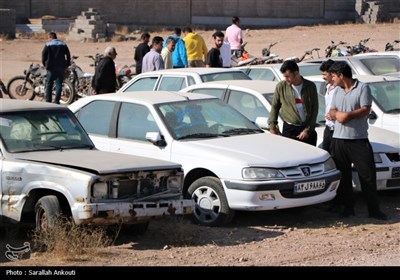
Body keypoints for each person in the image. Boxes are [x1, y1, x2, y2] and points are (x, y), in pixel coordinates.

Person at [328, 61, 387, 220]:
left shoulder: (362, 88)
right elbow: (332, 110)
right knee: (344, 176)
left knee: (367, 175)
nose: (332, 79)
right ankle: (348, 208)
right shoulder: (337, 91)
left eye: (333, 76)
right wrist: (336, 114)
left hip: (358, 140)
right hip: (339, 140)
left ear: (341, 75)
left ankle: (374, 210)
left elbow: (365, 109)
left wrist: (347, 115)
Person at [268, 60, 318, 146]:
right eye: (284, 76)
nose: (286, 79)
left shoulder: (310, 86)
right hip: (290, 130)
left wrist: (307, 130)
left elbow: (315, 110)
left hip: (307, 129)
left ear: (296, 73)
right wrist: (272, 126)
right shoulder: (281, 86)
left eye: (288, 76)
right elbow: (275, 107)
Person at [41, 32, 71, 104]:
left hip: (51, 68)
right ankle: (57, 101)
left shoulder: (48, 44)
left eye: (48, 38)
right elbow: (68, 55)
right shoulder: (63, 44)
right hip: (61, 67)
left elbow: (43, 55)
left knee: (49, 84)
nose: (48, 39)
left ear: (50, 37)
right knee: (59, 84)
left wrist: (45, 64)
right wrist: (66, 64)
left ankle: (48, 100)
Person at [320, 59, 338, 152]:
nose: (323, 77)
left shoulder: (339, 88)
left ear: (332, 74)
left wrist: (335, 115)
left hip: (337, 128)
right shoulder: (327, 87)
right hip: (328, 127)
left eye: (325, 74)